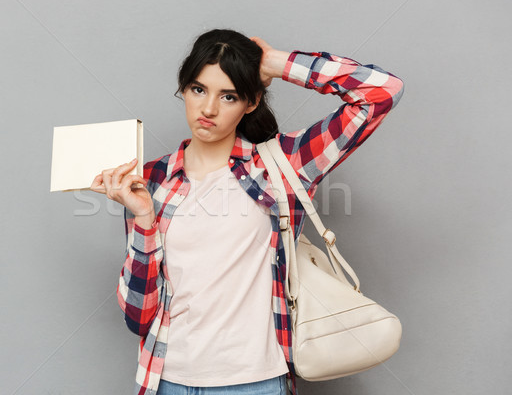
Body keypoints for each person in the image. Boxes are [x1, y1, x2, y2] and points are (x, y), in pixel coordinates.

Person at [90, 28, 404, 395]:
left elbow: (381, 92)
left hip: (256, 382)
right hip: (167, 380)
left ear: (251, 102)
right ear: (183, 88)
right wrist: (143, 218)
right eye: (198, 89)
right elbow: (139, 316)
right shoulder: (151, 179)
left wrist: (275, 64)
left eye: (229, 96)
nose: (208, 109)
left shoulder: (283, 165)